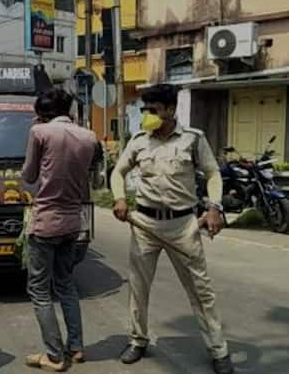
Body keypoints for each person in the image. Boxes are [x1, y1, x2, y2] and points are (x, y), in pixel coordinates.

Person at [110, 84, 233, 374]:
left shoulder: (192, 139)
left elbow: (213, 173)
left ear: (170, 109)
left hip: (183, 226)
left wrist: (214, 207)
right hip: (144, 223)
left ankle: (219, 350)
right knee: (138, 288)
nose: (147, 116)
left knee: (201, 290)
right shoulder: (139, 141)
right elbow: (119, 171)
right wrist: (118, 197)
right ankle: (138, 341)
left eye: (153, 110)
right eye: (144, 110)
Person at [21, 87, 99, 372]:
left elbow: (29, 176)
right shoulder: (89, 136)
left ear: (41, 114)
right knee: (65, 284)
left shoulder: (40, 133)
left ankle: (54, 356)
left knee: (40, 290)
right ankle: (76, 347)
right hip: (72, 223)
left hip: (45, 221)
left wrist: (36, 132)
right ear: (70, 111)